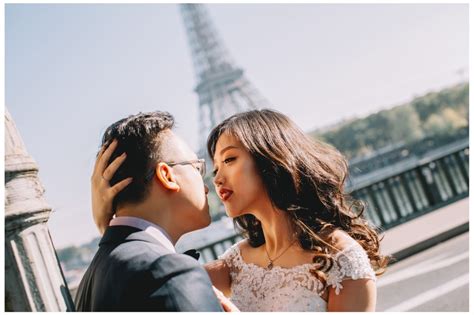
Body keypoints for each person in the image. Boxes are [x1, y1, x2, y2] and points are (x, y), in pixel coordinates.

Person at [93, 109, 389, 311]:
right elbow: (147, 283)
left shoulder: (343, 259)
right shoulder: (235, 263)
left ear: (271, 159)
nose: (217, 177)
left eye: (230, 160)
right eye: (215, 167)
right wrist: (112, 223)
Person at [74, 111, 235, 311]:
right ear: (167, 176)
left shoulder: (90, 280)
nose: (208, 183)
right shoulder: (168, 270)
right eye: (196, 167)